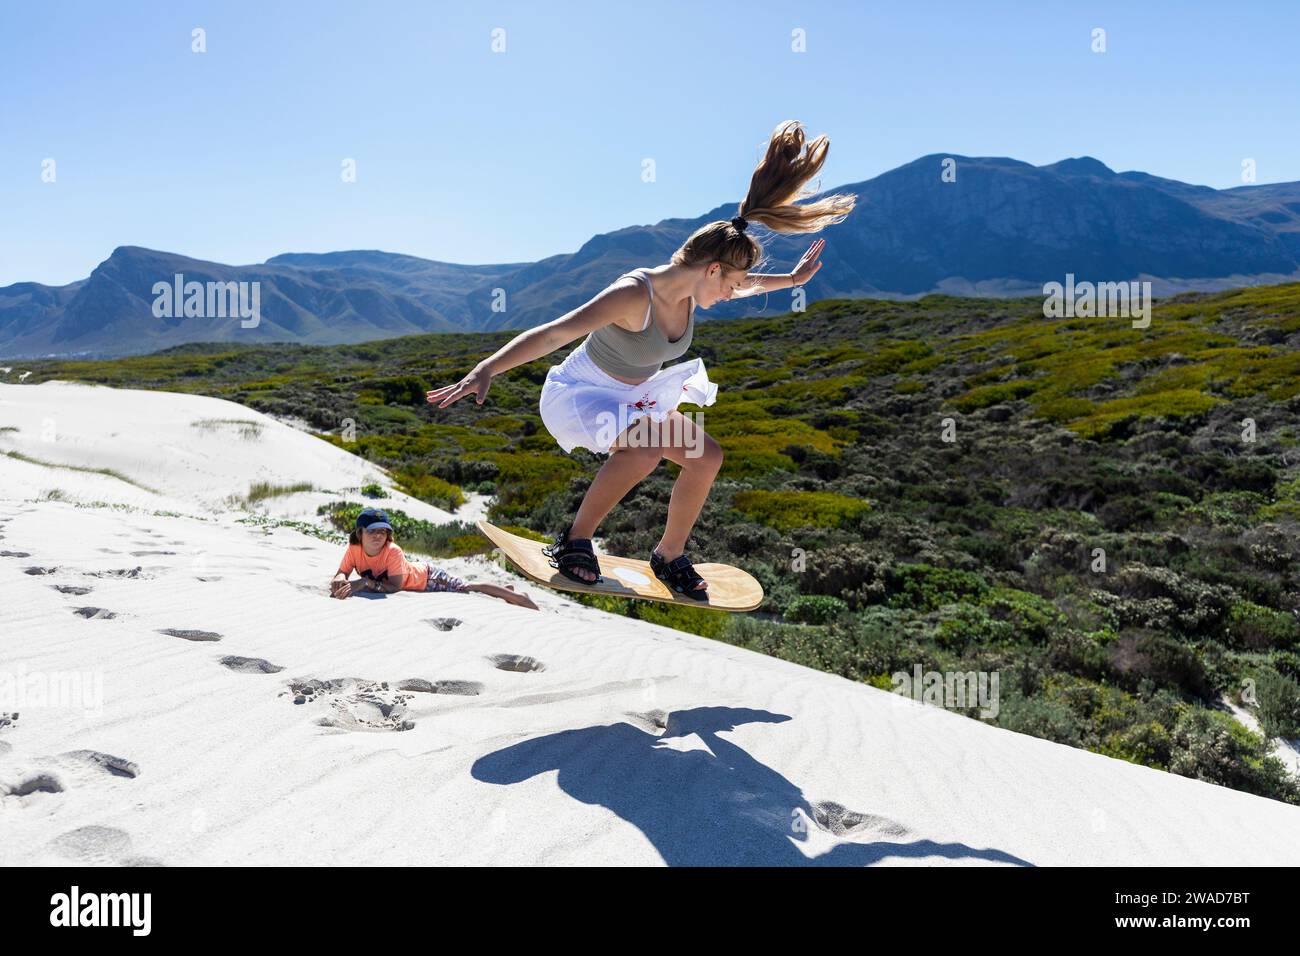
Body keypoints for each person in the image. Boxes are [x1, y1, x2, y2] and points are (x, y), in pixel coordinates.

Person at [427, 120, 855, 600]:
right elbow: (555, 332)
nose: (735, 293)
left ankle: (668, 555)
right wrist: (486, 369)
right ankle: (575, 540)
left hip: (634, 398)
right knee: (648, 448)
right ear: (712, 269)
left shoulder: (696, 291)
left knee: (706, 456)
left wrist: (792, 280)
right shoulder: (635, 295)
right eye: (731, 284)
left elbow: (748, 285)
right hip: (581, 394)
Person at [330, 507, 537, 609]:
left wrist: (364, 583)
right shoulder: (354, 548)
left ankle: (519, 598)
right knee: (466, 588)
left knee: (467, 588)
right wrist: (340, 578)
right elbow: (343, 571)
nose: (378, 536)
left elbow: (395, 587)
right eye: (372, 531)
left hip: (428, 578)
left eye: (383, 532)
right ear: (360, 533)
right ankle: (506, 591)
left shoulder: (393, 551)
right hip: (419, 579)